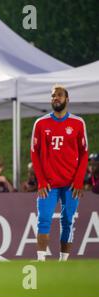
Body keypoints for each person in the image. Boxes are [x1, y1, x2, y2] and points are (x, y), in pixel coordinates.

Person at [31, 85, 88, 262]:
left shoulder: (78, 123)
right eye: (53, 96)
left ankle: (63, 262)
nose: (56, 98)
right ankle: (41, 261)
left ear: (67, 99)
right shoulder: (41, 123)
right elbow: (34, 152)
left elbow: (84, 152)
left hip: (71, 184)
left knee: (68, 221)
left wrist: (79, 180)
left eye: (59, 95)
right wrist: (40, 181)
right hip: (49, 184)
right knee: (44, 220)